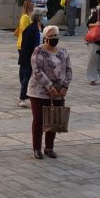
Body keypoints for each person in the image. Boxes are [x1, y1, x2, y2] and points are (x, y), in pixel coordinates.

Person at [28, 26, 71, 160]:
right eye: (51, 36)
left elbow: (69, 70)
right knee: (39, 120)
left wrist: (65, 86)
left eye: (55, 36)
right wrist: (50, 87)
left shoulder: (63, 52)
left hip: (58, 92)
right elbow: (37, 71)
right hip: (39, 92)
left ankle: (49, 147)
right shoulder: (38, 51)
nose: (53, 39)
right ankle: (37, 148)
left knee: (53, 120)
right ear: (45, 37)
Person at [19, 8, 45, 107]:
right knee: (27, 77)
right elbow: (26, 45)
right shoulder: (31, 28)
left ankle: (38, 97)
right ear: (39, 18)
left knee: (40, 78)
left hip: (41, 56)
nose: (44, 18)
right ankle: (22, 98)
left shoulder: (42, 27)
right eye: (43, 16)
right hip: (30, 57)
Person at [84, 2, 100, 86]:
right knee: (93, 59)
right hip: (96, 40)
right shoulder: (97, 14)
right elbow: (88, 24)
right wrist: (95, 24)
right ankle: (92, 78)